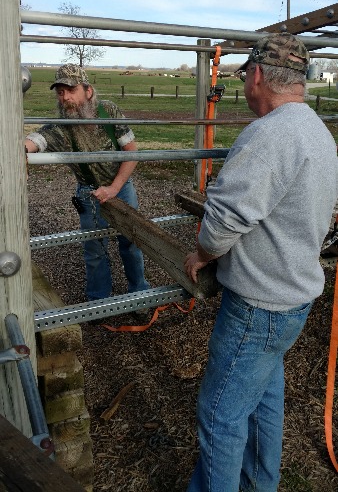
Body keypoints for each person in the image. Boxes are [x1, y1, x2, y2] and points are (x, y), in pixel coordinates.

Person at [184, 33, 338, 492]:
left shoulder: (268, 135)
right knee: (265, 398)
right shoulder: (316, 129)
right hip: (293, 298)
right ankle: (259, 484)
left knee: (220, 416)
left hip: (258, 305)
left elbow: (225, 221)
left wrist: (202, 253)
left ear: (255, 76)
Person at [25, 64, 149, 302]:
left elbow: (131, 151)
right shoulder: (62, 127)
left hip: (121, 188)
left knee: (132, 242)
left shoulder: (108, 112)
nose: (65, 98)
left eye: (71, 90)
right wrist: (21, 151)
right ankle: (98, 302)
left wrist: (114, 188)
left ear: (88, 91)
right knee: (94, 250)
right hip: (89, 194)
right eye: (60, 92)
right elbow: (38, 138)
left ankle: (139, 294)